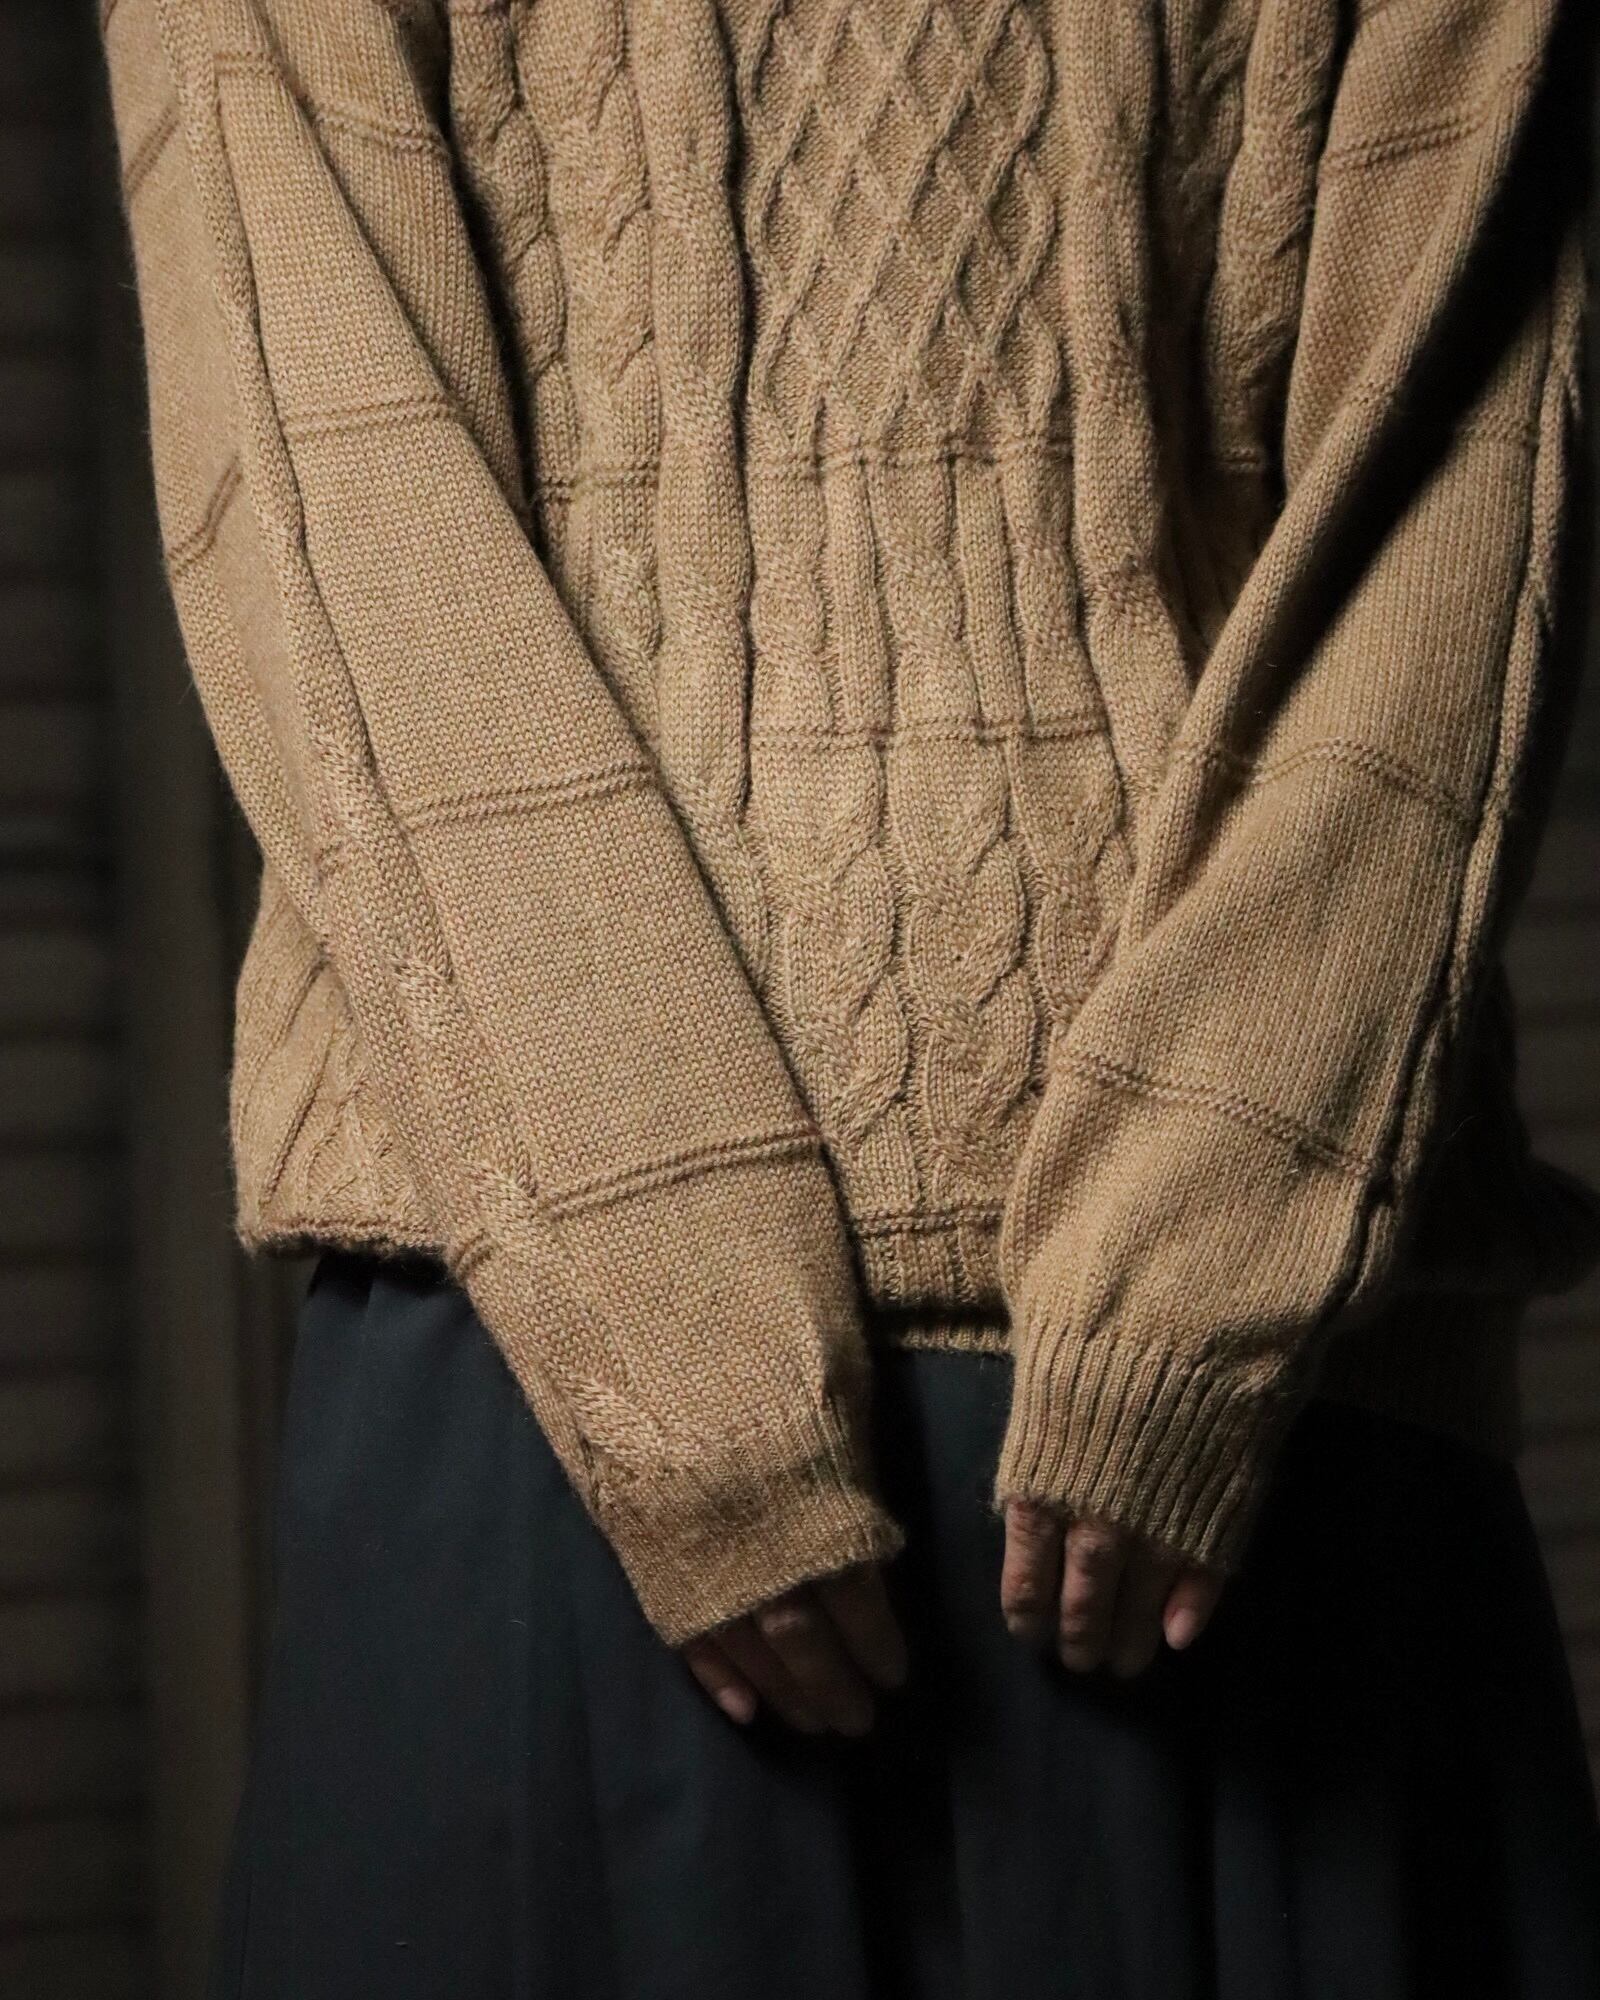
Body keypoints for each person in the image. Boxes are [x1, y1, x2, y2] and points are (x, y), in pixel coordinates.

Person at [101, 0, 1600, 1993]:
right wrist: (674, 1337)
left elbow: (1456, 490)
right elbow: (341, 515)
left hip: (1252, 1417)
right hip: (564, 1377)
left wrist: (1200, 1277)